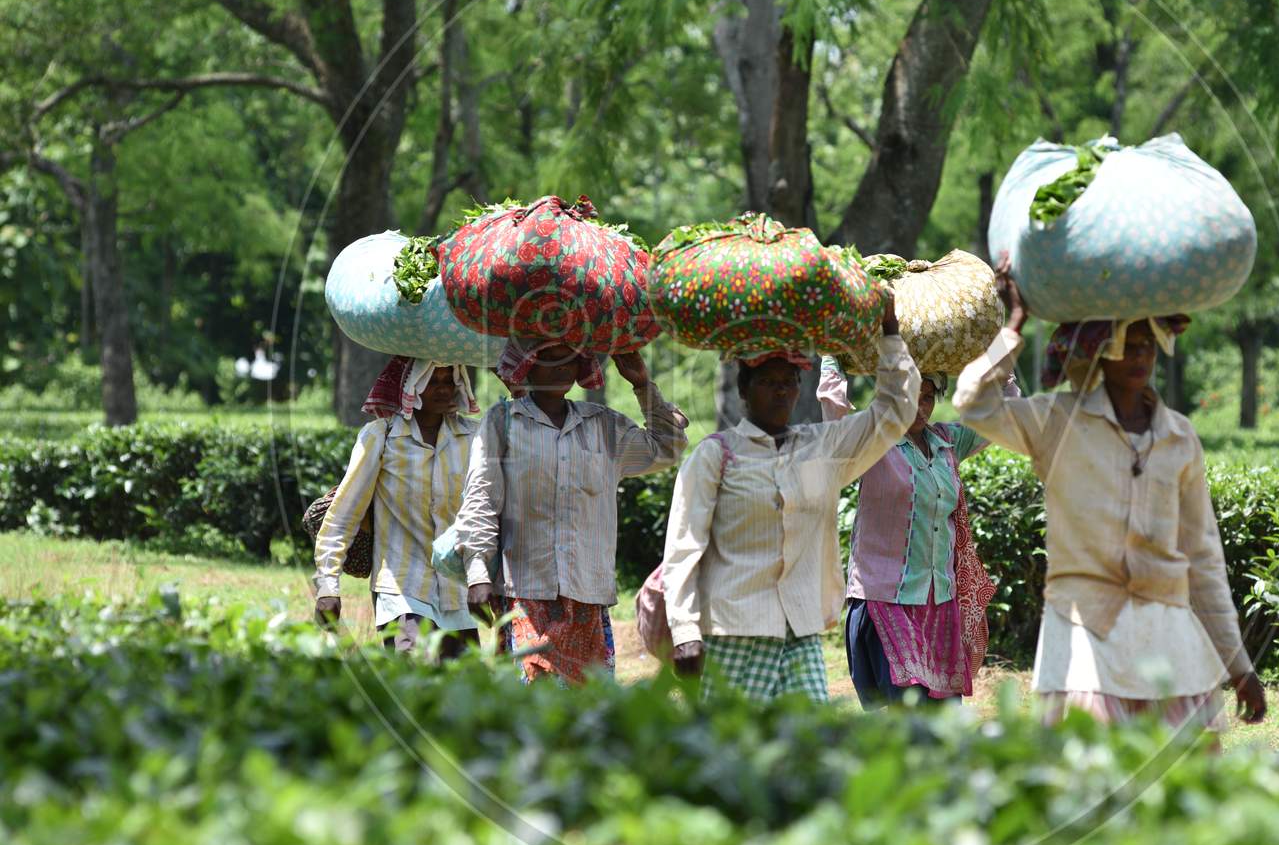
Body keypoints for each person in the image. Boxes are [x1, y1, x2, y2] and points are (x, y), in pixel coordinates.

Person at [952, 260, 1267, 733]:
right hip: (1084, 635)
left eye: (1148, 346)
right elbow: (973, 402)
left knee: (1179, 791)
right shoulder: (1058, 423)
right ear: (1101, 354)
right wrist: (1014, 324)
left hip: (1168, 639)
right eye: (1126, 346)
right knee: (1090, 779)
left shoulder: (1179, 438)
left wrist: (1238, 665)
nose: (1140, 357)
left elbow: (1202, 559)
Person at [662, 297, 918, 703]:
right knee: (736, 754)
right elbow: (683, 548)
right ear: (744, 389)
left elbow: (896, 410)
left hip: (800, 630)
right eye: (767, 381)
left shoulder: (822, 447)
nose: (780, 392)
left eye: (788, 382)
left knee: (807, 750)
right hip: (734, 631)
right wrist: (684, 631)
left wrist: (890, 330)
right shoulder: (717, 455)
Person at [455, 340, 687, 684]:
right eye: (548, 358)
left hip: (587, 594)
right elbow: (481, 500)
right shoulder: (503, 423)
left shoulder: (603, 425)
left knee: (587, 705)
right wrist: (477, 573)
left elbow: (666, 448)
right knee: (532, 695)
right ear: (527, 366)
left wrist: (641, 384)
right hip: (525, 590)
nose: (560, 367)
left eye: (568, 360)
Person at [816, 356, 1018, 707]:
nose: (918, 407)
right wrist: (832, 355)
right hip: (886, 601)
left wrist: (996, 348)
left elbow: (1005, 410)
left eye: (926, 397)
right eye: (908, 395)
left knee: (943, 719)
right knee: (899, 720)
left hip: (939, 601)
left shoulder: (947, 443)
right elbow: (834, 415)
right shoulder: (872, 441)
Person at [314, 358, 483, 660]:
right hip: (402, 588)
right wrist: (328, 586)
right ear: (411, 386)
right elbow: (342, 516)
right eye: (433, 381)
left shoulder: (472, 438)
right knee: (415, 674)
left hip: (457, 592)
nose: (443, 389)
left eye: (448, 381)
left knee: (465, 692)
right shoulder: (382, 438)